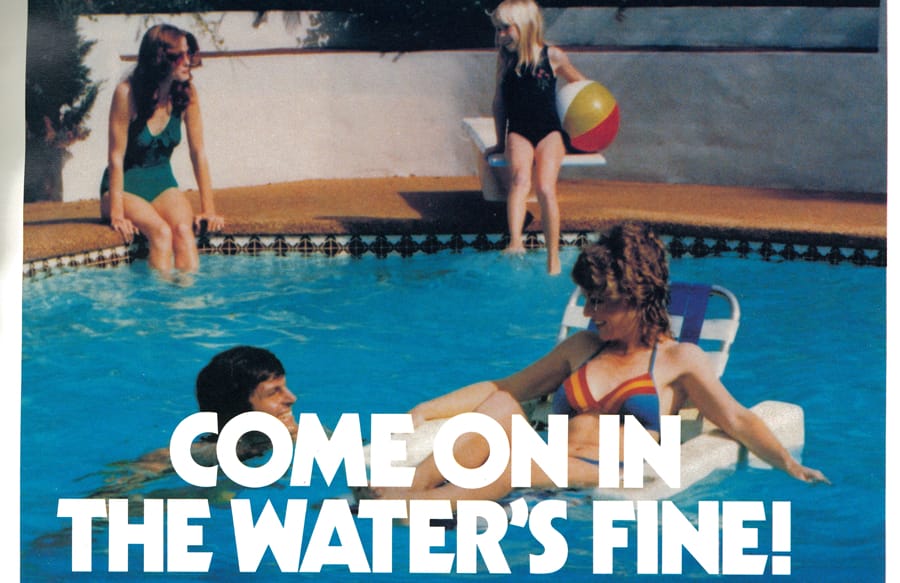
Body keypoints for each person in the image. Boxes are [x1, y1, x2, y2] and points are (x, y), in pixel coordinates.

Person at [372, 222, 829, 504]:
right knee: (501, 407)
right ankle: (406, 488)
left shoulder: (679, 361)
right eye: (588, 301)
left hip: (606, 472)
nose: (590, 313)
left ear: (637, 298)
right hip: (547, 460)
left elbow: (737, 419)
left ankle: (412, 511)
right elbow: (507, 386)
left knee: (511, 464)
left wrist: (790, 464)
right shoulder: (583, 347)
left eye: (601, 302)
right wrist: (424, 410)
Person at [89, 346, 297, 497]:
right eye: (273, 393)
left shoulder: (312, 438)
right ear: (237, 407)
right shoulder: (193, 455)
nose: (291, 398)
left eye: (285, 388)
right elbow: (103, 502)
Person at [100, 23, 224, 273]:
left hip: (162, 182)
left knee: (183, 230)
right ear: (159, 59)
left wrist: (208, 210)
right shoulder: (127, 93)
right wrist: (116, 213)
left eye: (190, 53)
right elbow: (115, 157)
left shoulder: (187, 93)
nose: (188, 61)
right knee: (161, 233)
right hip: (125, 186)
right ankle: (159, 308)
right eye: (180, 55)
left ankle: (189, 306)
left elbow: (198, 153)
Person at [486, 0, 586, 275]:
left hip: (549, 132)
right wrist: (499, 140)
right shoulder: (506, 60)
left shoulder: (553, 56)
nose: (500, 36)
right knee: (519, 180)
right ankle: (516, 242)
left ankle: (553, 257)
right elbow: (499, 103)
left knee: (544, 187)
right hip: (519, 132)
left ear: (526, 26)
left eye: (505, 28)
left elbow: (580, 86)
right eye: (498, 29)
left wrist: (582, 124)